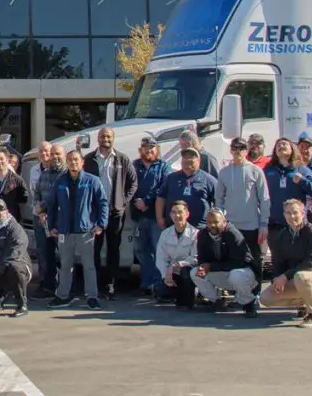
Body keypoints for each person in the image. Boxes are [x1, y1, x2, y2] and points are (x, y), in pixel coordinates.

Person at [46, 149, 108, 309]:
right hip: (64, 231)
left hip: (86, 231)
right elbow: (51, 205)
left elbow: (102, 203)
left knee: (89, 265)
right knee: (65, 265)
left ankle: (92, 297)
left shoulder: (92, 181)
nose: (73, 163)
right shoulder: (60, 181)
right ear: (67, 162)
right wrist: (51, 226)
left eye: (76, 160)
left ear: (82, 162)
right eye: (70, 160)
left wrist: (101, 224)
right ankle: (63, 296)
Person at [259, 199, 312, 327]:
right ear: (284, 215)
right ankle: (304, 302)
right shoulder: (282, 235)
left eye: (295, 212)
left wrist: (285, 276)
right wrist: (277, 279)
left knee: (302, 276)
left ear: (303, 214)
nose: (291, 216)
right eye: (288, 213)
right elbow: (278, 261)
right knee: (265, 298)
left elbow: (311, 263)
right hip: (296, 279)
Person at [83, 127, 136, 300]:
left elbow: (133, 183)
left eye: (108, 136)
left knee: (114, 249)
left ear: (113, 138)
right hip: (94, 213)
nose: (105, 139)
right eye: (102, 136)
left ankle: (110, 285)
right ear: (97, 139)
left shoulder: (122, 158)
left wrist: (123, 201)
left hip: (115, 213)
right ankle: (95, 285)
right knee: (94, 249)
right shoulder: (88, 159)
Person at [216, 136, 271, 294]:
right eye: (235, 148)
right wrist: (221, 221)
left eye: (241, 148)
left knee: (254, 260)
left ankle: (255, 294)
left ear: (246, 151)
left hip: (252, 225)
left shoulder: (256, 170)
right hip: (231, 225)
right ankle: (238, 294)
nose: (238, 151)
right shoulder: (224, 172)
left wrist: (263, 224)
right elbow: (219, 198)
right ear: (231, 150)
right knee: (233, 261)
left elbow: (265, 198)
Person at [191, 207, 259, 318]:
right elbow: (202, 258)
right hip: (222, 272)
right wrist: (203, 266)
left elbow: (238, 262)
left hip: (244, 273)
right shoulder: (203, 234)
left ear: (224, 222)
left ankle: (248, 303)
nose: (212, 225)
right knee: (194, 272)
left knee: (236, 275)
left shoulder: (233, 234)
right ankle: (216, 301)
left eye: (216, 222)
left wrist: (211, 266)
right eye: (209, 222)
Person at [132, 137, 171, 294]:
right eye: (145, 148)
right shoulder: (134, 165)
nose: (149, 151)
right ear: (140, 150)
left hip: (156, 216)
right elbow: (127, 185)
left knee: (158, 250)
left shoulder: (163, 167)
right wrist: (136, 200)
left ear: (157, 150)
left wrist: (146, 200)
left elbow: (164, 187)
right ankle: (146, 282)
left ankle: (158, 283)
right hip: (138, 216)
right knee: (141, 250)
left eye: (152, 148)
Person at [264, 138, 312, 234]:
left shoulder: (301, 168)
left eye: (284, 144)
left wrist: (303, 181)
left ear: (292, 149)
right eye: (278, 145)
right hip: (274, 224)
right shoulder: (268, 170)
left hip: (296, 224)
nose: (281, 146)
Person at [156, 147, 218, 229]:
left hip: (199, 228)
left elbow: (219, 201)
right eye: (185, 161)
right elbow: (161, 198)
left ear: (198, 161)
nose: (187, 165)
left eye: (191, 161)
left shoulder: (208, 180)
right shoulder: (171, 178)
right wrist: (159, 218)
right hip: (174, 227)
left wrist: (215, 221)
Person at [32, 144, 65, 297]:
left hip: (62, 222)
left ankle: (65, 287)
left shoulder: (67, 174)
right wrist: (39, 210)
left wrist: (44, 208)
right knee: (45, 254)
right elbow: (37, 193)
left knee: (65, 255)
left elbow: (58, 198)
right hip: (43, 222)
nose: (55, 157)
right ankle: (47, 286)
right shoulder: (44, 174)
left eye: (58, 153)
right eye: (52, 154)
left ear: (64, 155)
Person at [155, 201, 199, 309]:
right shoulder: (165, 234)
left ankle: (190, 297)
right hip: (171, 272)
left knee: (186, 273)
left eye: (180, 212)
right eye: (174, 212)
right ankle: (175, 296)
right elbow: (160, 258)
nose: (177, 215)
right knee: (160, 289)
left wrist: (176, 264)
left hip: (186, 271)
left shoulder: (195, 233)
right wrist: (166, 276)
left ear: (187, 214)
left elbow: (195, 258)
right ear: (170, 215)